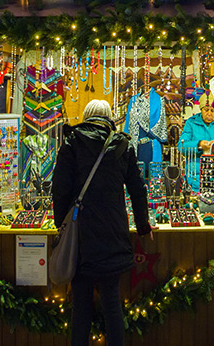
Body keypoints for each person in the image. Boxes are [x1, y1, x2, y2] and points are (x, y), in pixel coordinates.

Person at [51, 99, 151, 345]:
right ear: (108, 119)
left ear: (86, 117)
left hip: (81, 235)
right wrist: (143, 226)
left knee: (81, 307)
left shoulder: (72, 143)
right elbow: (138, 190)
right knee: (112, 304)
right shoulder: (123, 145)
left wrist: (61, 224)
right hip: (113, 233)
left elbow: (60, 189)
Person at [178, 92, 214, 191]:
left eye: (212, 110)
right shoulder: (191, 123)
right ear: (201, 110)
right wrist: (199, 145)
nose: (209, 113)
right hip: (195, 180)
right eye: (206, 110)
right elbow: (181, 147)